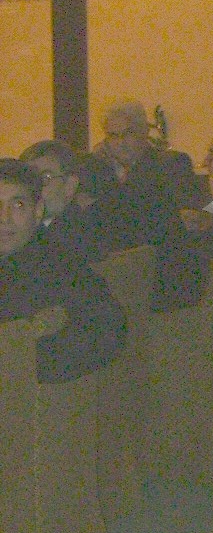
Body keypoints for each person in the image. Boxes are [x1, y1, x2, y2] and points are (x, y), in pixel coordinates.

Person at [0, 159, 126, 383]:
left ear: (37, 210)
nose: (4, 218)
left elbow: (107, 328)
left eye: (18, 205)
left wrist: (25, 362)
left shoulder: (58, 265)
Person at [85, 101, 204, 308]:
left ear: (144, 133)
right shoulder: (97, 170)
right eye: (113, 136)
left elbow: (181, 218)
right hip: (111, 266)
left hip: (160, 270)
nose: (120, 143)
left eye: (127, 134)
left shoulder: (170, 164)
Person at [19, 139, 111, 263]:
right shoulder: (20, 231)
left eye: (45, 177)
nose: (34, 187)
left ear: (70, 185)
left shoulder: (82, 237)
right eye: (28, 179)